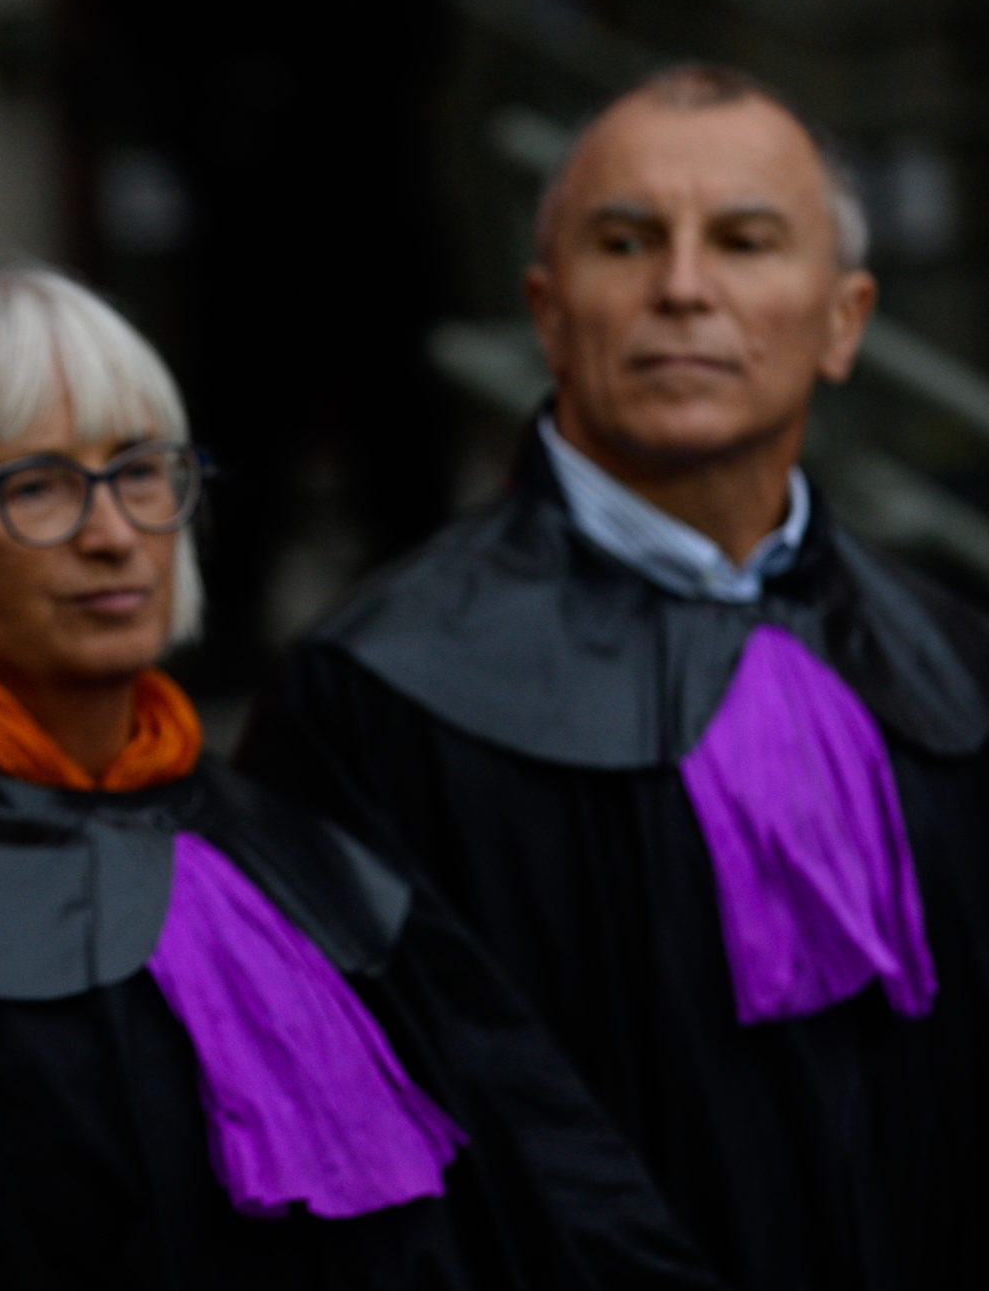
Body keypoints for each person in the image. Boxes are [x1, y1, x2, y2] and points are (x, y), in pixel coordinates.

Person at [0, 267, 723, 1290]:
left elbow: (554, 1190)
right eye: (33, 486)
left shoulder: (294, 847)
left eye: (139, 470)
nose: (112, 531)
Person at [237, 63, 989, 1291]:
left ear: (843, 321)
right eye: (624, 240)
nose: (681, 288)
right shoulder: (374, 696)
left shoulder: (951, 667)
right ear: (545, 309)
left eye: (743, 240)